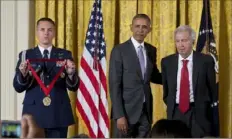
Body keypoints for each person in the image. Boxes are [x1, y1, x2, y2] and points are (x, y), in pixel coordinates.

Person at [13, 17, 79, 138]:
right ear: (37, 32)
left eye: (49, 30)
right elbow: (18, 87)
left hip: (57, 112)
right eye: (42, 29)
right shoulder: (26, 55)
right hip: (34, 113)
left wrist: (71, 73)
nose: (46, 33)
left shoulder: (65, 54)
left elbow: (74, 87)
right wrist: (22, 74)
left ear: (54, 32)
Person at [109, 14, 162, 138]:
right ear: (131, 27)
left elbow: (153, 76)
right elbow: (114, 84)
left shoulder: (151, 50)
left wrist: (176, 73)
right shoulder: (119, 50)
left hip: (145, 111)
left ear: (149, 29)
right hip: (126, 112)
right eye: (137, 26)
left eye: (144, 27)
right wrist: (119, 115)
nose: (140, 30)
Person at [161, 25, 217, 137]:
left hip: (198, 113)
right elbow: (166, 92)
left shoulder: (206, 61)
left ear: (193, 41)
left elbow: (212, 90)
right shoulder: (167, 62)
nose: (181, 45)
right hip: (175, 113)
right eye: (178, 41)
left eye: (184, 41)